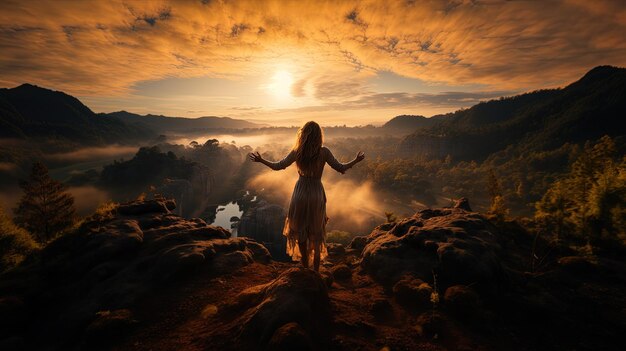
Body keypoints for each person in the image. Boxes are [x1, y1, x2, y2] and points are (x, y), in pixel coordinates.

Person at [248, 121, 365, 271]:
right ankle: (316, 271)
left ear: (303, 134)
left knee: (300, 230)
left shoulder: (298, 151)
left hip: (300, 192)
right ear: (319, 135)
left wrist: (261, 160)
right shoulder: (324, 152)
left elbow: (279, 166)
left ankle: (304, 268)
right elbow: (341, 168)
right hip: (316, 192)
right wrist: (356, 160)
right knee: (316, 233)